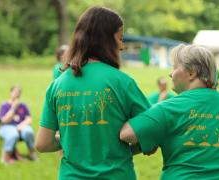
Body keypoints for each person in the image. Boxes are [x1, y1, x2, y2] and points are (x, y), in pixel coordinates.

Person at [35, 7, 150, 180]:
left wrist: (71, 140)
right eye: (120, 38)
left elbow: (43, 144)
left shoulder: (57, 85)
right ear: (106, 40)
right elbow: (151, 133)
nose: (122, 46)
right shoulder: (123, 82)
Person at [120, 44, 219, 180]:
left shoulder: (169, 108)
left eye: (175, 67)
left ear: (191, 73)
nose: (171, 74)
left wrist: (145, 143)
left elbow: (126, 134)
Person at [0, 85, 36, 164]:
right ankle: (5, 157)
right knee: (13, 134)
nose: (16, 94)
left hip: (21, 126)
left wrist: (21, 125)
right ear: (10, 93)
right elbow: (4, 121)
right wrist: (14, 108)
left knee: (28, 131)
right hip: (7, 127)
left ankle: (32, 154)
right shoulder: (4, 105)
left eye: (18, 93)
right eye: (14, 92)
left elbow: (29, 119)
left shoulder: (23, 106)